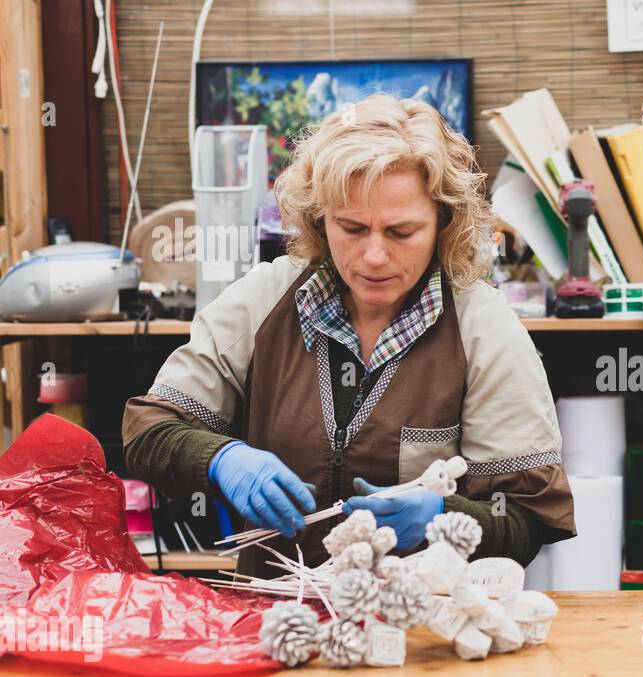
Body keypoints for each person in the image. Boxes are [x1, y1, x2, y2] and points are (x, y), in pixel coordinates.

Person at [122, 94, 575, 578]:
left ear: (444, 223)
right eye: (352, 228)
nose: (374, 255)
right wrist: (221, 458)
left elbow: (529, 516)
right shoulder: (263, 302)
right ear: (320, 219)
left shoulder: (484, 330)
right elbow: (149, 431)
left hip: (418, 632)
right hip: (275, 617)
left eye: (402, 232)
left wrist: (444, 518)